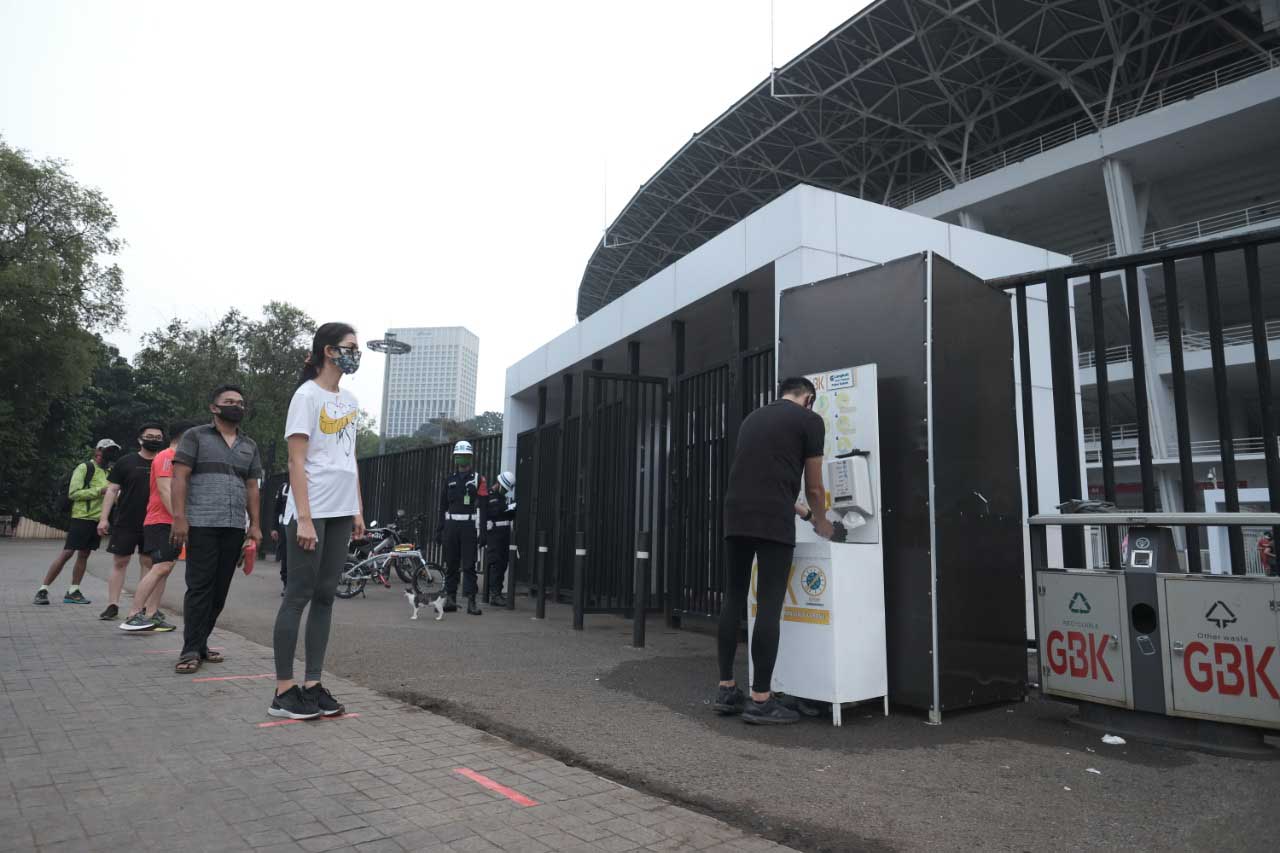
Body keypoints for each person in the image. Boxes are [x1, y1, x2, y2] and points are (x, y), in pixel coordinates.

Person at [714, 376, 833, 725]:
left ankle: (726, 689)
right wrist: (822, 521)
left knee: (733, 597)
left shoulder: (753, 418)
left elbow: (763, 477)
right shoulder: (810, 421)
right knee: (768, 604)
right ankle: (761, 700)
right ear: (809, 398)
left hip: (735, 513)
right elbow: (813, 485)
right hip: (771, 522)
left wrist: (803, 513)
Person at [269, 323, 365, 719]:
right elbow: (296, 460)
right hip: (311, 509)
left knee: (327, 594)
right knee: (299, 593)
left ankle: (313, 683)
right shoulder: (305, 396)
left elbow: (349, 458)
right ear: (328, 351)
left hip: (342, 509)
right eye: (349, 347)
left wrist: (357, 508)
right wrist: (304, 518)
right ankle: (283, 689)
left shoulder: (352, 400)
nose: (355, 355)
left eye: (356, 349)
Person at [170, 385, 264, 674]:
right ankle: (189, 650)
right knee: (199, 587)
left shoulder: (249, 445)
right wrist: (179, 517)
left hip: (234, 526)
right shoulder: (195, 436)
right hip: (200, 523)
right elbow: (180, 477)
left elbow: (252, 487)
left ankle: (201, 643)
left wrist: (255, 526)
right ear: (214, 408)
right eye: (229, 402)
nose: (236, 406)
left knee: (220, 591)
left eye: (240, 402)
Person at [119, 420, 200, 632]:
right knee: (161, 566)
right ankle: (134, 614)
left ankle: (151, 614)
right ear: (187, 436)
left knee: (165, 567)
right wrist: (178, 519)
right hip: (162, 521)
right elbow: (165, 490)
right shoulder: (167, 456)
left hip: (171, 521)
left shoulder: (181, 459)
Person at [33, 439, 120, 605]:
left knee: (84, 554)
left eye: (114, 450)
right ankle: (43, 589)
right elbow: (73, 493)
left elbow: (112, 495)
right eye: (108, 449)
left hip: (98, 519)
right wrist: (99, 491)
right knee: (68, 552)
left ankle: (73, 591)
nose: (111, 453)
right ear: (98, 451)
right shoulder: (85, 467)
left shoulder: (110, 472)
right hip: (81, 517)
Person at [97, 422, 167, 621]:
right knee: (120, 561)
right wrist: (103, 519)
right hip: (126, 520)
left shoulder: (165, 462)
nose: (153, 440)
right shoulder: (126, 462)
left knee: (148, 563)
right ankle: (112, 604)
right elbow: (112, 490)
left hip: (153, 522)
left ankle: (144, 606)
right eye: (149, 436)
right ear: (140, 439)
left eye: (157, 437)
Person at [435, 441, 486, 615]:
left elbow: (484, 507)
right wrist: (439, 530)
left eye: (465, 455)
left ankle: (471, 601)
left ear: (470, 458)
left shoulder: (479, 479)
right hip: (451, 526)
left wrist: (484, 532)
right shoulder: (449, 479)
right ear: (455, 458)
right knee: (451, 564)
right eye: (459, 455)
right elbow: (442, 507)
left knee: (470, 565)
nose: (461, 459)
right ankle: (450, 599)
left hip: (469, 526)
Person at [479, 471, 516, 607]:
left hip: (504, 534)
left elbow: (505, 514)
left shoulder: (501, 497)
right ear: (500, 484)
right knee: (496, 563)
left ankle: (497, 592)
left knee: (503, 564)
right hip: (495, 534)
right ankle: (494, 594)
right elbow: (495, 512)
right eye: (505, 488)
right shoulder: (491, 496)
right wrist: (508, 508)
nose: (506, 491)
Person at [271, 479, 291, 594]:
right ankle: (286, 584)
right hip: (285, 526)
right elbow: (276, 509)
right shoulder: (284, 488)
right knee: (286, 556)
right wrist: (274, 528)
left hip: (304, 526)